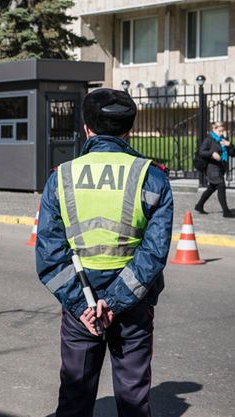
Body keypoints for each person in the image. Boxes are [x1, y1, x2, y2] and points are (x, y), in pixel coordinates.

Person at [35, 88, 174, 417]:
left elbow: (49, 255)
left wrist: (84, 304)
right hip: (134, 304)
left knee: (75, 393)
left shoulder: (61, 177)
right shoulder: (151, 177)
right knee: (133, 394)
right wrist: (113, 302)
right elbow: (154, 253)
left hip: (79, 304)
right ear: (129, 130)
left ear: (86, 128)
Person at [194, 122, 235, 218]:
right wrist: (212, 154)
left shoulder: (224, 140)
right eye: (219, 131)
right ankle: (226, 211)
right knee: (221, 185)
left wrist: (230, 145)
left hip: (221, 167)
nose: (221, 133)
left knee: (212, 187)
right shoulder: (209, 140)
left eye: (222, 131)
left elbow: (232, 154)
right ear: (214, 129)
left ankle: (199, 205)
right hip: (212, 168)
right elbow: (201, 152)